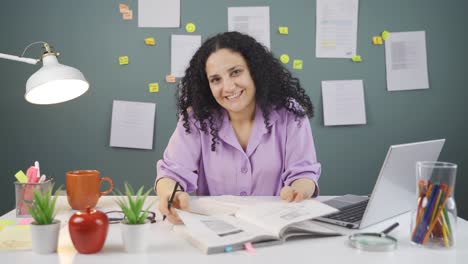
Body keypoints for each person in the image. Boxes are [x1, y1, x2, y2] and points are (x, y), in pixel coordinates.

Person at [155, 31, 321, 224]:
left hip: (274, 224)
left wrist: (298, 191)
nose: (228, 87)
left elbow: (304, 174)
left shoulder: (289, 113)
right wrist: (171, 194)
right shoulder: (196, 119)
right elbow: (171, 173)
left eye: (235, 72)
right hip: (216, 226)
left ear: (255, 71)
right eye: (216, 79)